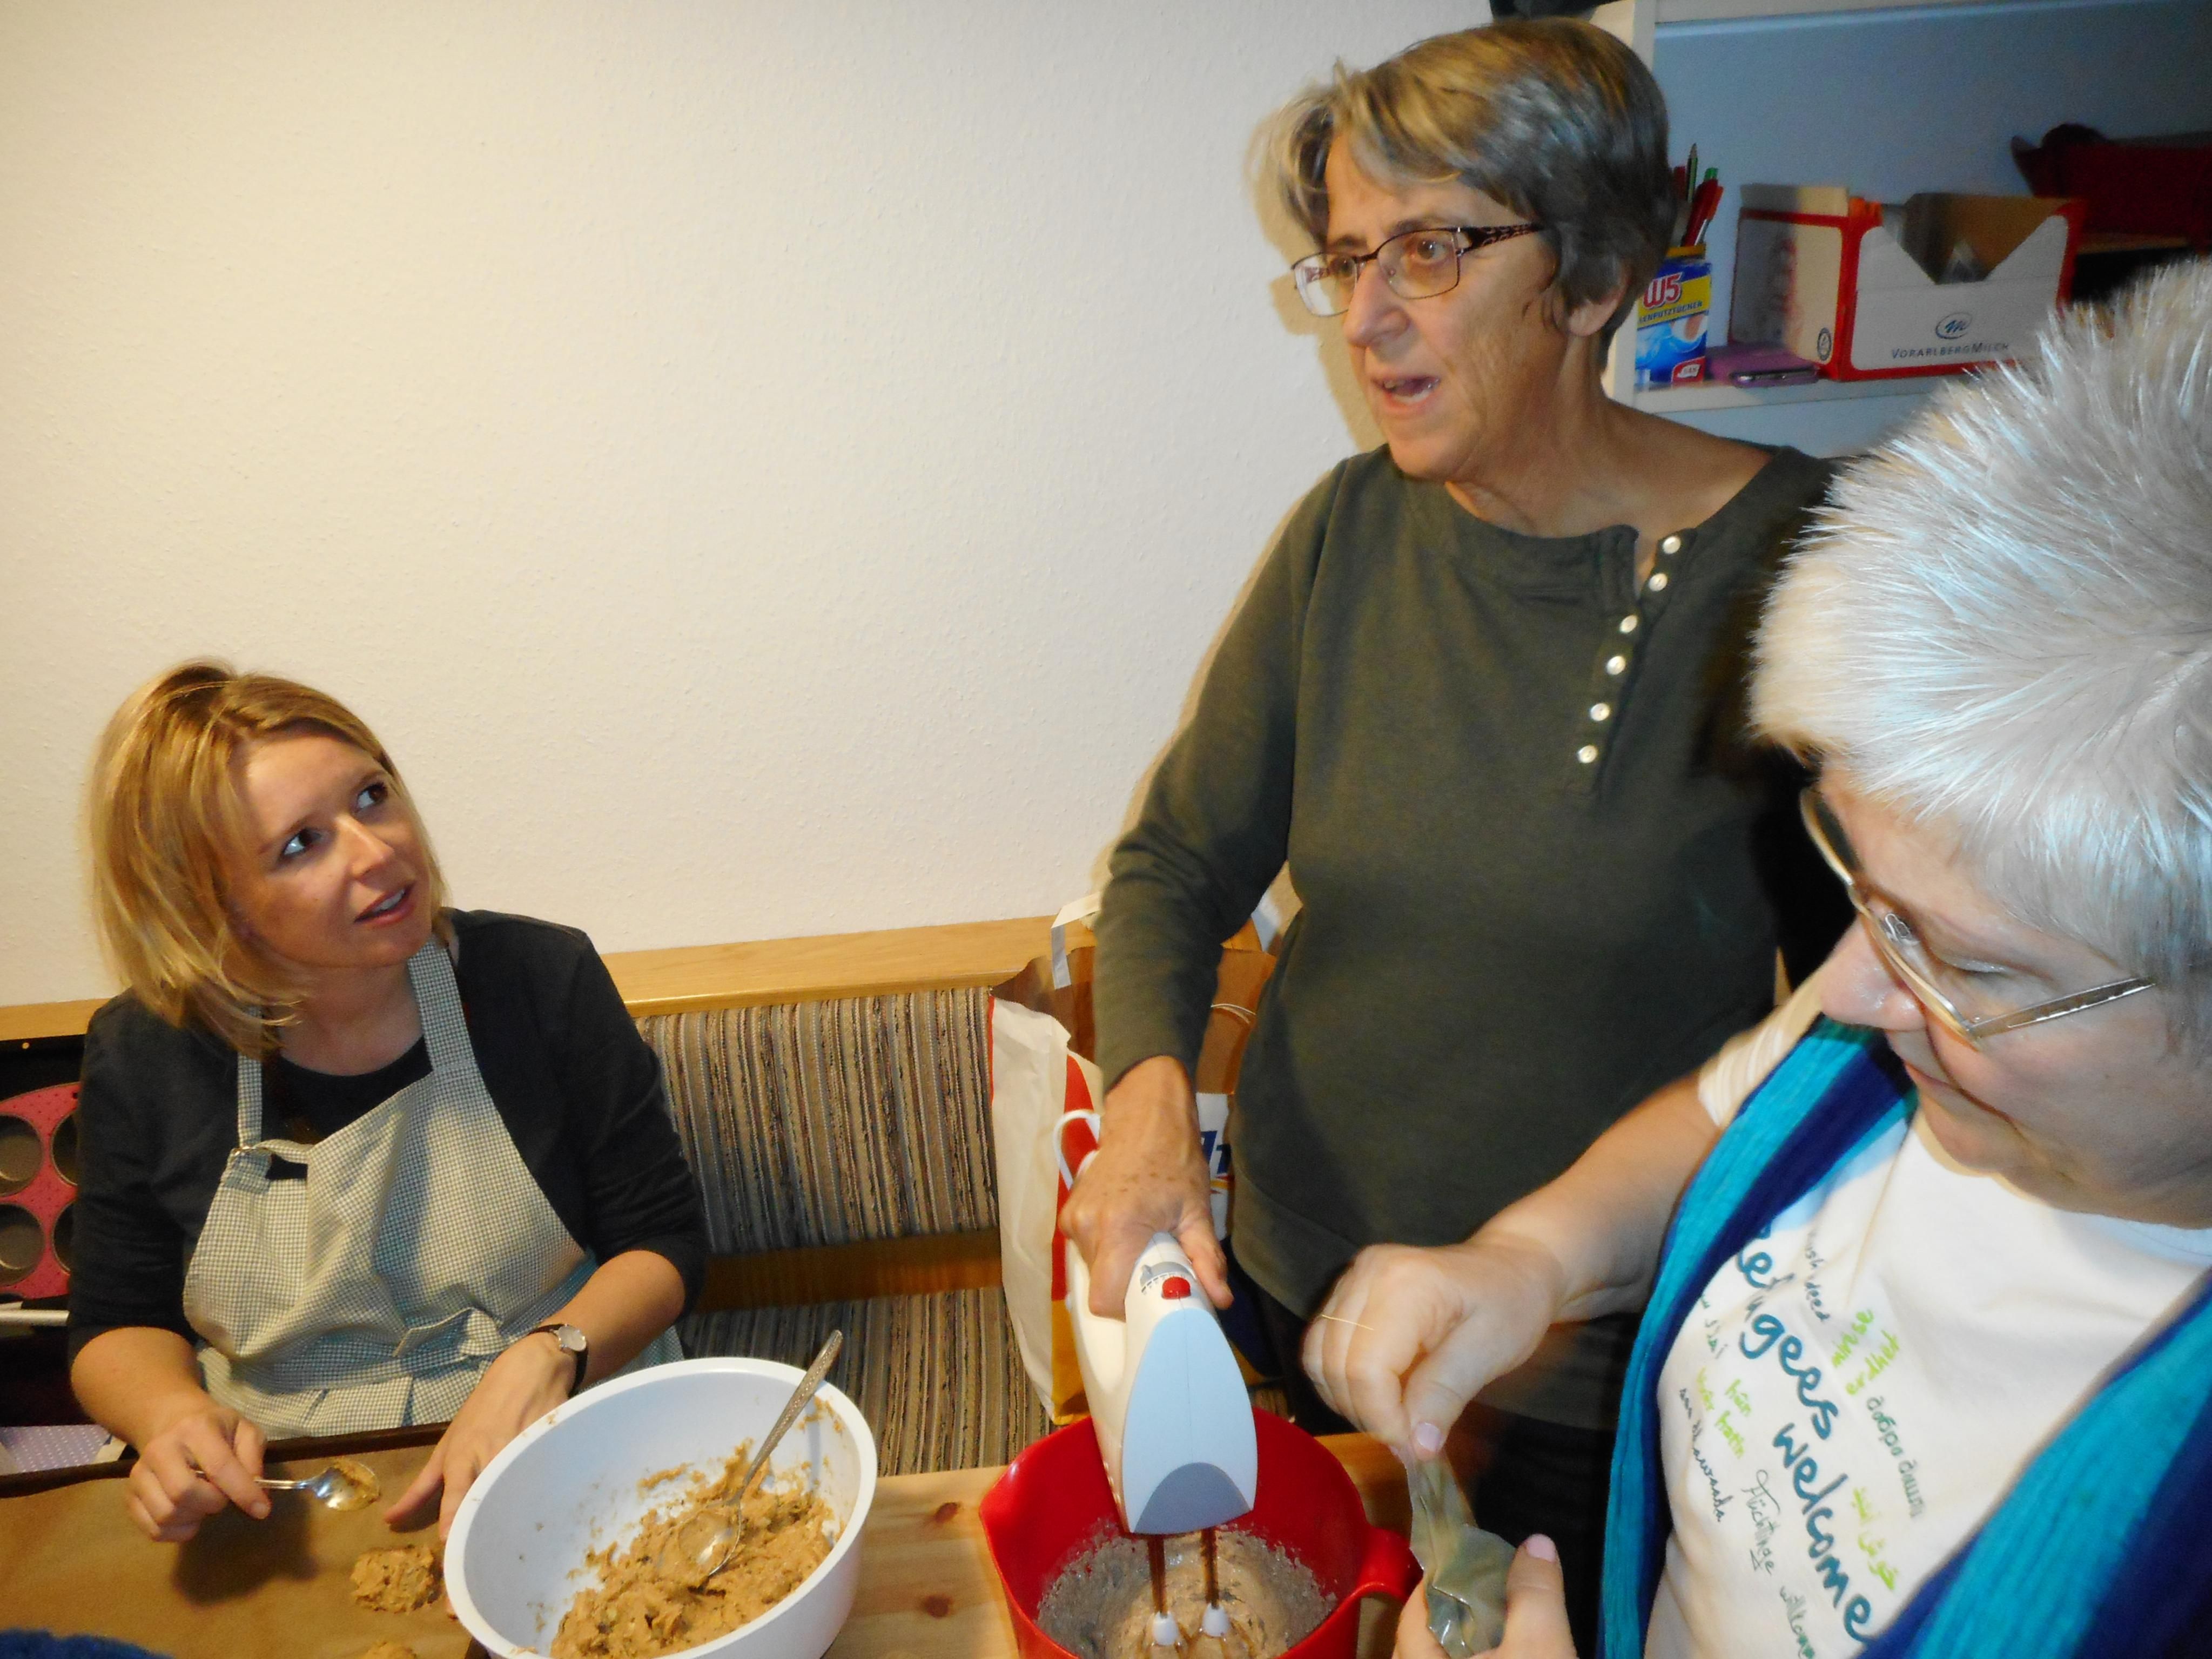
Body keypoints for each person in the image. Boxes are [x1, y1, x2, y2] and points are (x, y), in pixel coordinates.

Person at [1061, 21, 1841, 1642]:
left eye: (1428, 250)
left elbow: (1860, 1023)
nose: (1363, 318)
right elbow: (1173, 863)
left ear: (1598, 272)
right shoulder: (1350, 534)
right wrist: (1143, 1104)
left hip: (1583, 1373)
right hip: (1297, 1294)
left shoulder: (1802, 573)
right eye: (1347, 260)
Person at [1310, 261, 2212, 1657]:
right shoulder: (1897, 1030)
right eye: (1866, 889)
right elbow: (1719, 1120)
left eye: (1969, 965)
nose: (1844, 991)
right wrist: (1531, 1260)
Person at [69, 663, 709, 1543]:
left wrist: (552, 1353)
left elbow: (663, 1240)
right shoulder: (146, 1052)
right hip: (286, 1488)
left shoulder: (536, 978)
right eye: (302, 843)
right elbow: (117, 1324)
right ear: (211, 907)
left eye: (371, 796)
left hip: (554, 1428)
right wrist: (171, 1416)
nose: (378, 852)